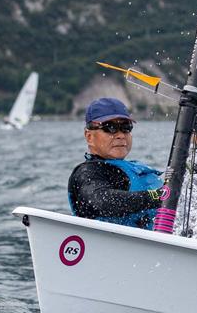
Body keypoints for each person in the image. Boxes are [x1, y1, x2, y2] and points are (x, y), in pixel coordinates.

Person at [68, 98, 166, 229]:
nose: (121, 135)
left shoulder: (133, 168)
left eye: (126, 128)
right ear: (89, 136)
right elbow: (101, 201)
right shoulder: (87, 173)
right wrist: (157, 196)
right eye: (110, 128)